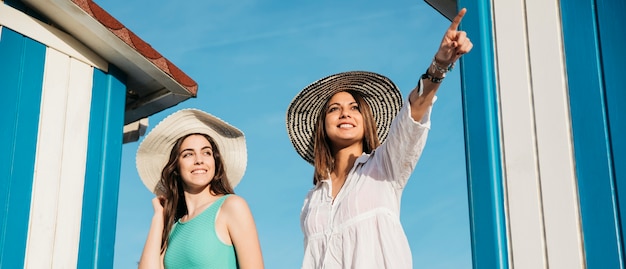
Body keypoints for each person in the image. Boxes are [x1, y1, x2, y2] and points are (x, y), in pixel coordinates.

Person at [285, 8, 473, 269]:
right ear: (322, 127)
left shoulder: (385, 166)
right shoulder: (312, 200)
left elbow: (414, 112)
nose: (345, 114)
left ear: (366, 121)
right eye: (334, 109)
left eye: (354, 107)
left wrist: (439, 66)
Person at [135, 109, 264, 269]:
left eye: (206, 153)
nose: (199, 160)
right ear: (175, 167)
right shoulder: (173, 229)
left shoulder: (232, 206)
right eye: (188, 154)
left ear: (215, 162)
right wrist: (159, 217)